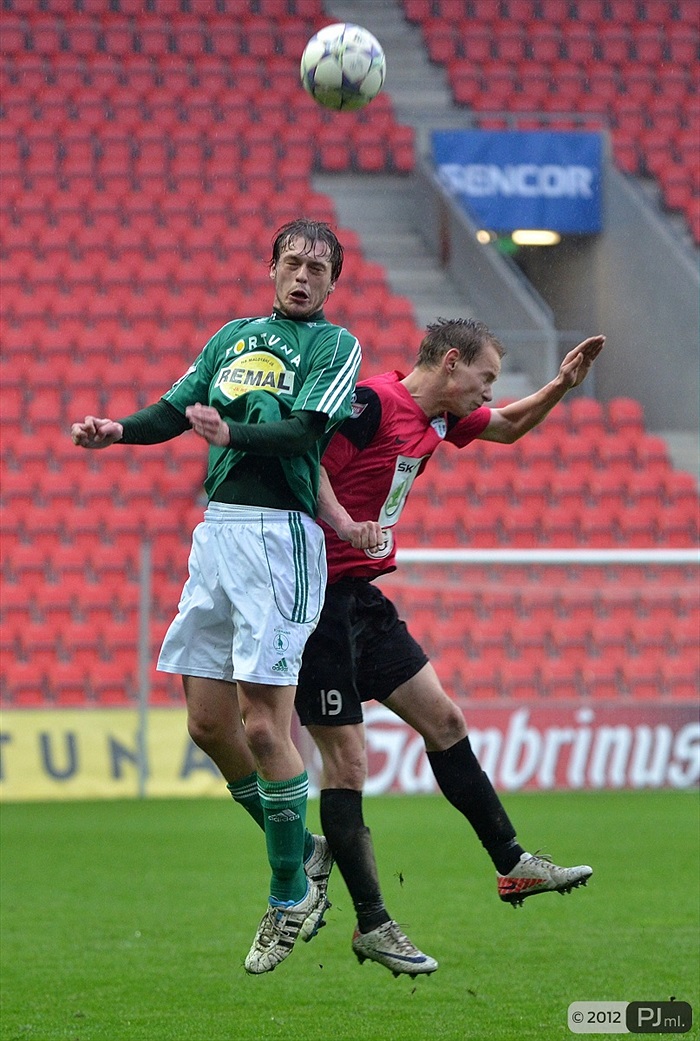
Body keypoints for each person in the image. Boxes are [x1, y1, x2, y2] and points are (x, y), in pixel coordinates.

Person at [70, 219, 362, 976]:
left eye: (318, 268)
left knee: (267, 729)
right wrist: (117, 429)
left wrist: (229, 432)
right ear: (270, 268)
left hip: (280, 541)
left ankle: (287, 891)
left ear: (333, 282)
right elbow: (175, 411)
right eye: (292, 263)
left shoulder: (334, 348)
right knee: (207, 723)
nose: (303, 276)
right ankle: (301, 845)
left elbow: (302, 434)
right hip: (220, 535)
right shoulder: (232, 336)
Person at [294, 318, 605, 977]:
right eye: (485, 378)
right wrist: (348, 524)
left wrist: (559, 386)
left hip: (364, 601)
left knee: (446, 720)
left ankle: (512, 863)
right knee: (347, 763)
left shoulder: (439, 419)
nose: (486, 392)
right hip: (317, 600)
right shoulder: (372, 403)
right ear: (453, 363)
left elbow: (511, 426)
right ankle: (374, 922)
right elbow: (309, 467)